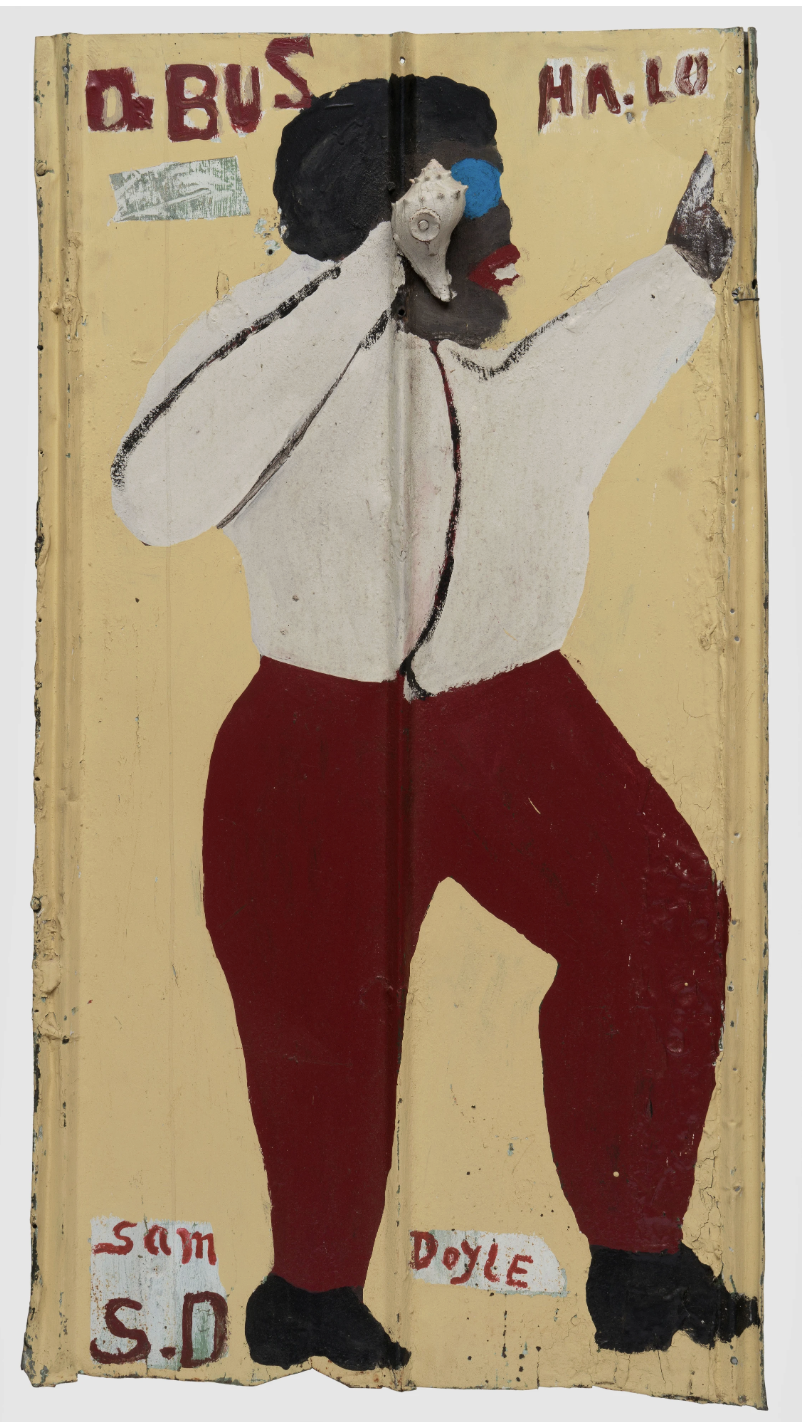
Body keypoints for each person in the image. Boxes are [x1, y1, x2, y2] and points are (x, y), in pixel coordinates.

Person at [112, 74, 758, 1369]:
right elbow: (155, 492)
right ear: (382, 210)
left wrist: (683, 273)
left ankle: (638, 1260)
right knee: (322, 1017)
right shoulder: (276, 338)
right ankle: (311, 1293)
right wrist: (369, 271)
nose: (501, 217)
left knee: (665, 916)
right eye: (470, 188)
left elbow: (564, 381)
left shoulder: (473, 361)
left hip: (520, 719)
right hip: (316, 736)